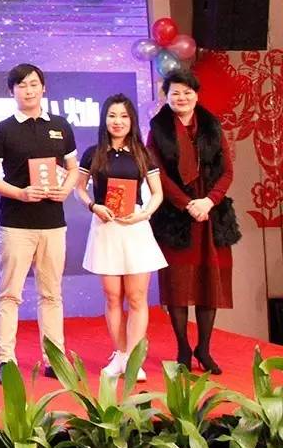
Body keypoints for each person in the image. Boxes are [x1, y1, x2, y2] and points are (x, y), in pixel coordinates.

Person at [0, 63, 79, 384]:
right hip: (16, 224)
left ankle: (55, 358)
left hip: (53, 223)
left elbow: (73, 167)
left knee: (51, 294)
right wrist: (20, 194)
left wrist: (66, 189)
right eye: (22, 85)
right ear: (11, 91)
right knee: (9, 294)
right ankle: (5, 360)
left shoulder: (61, 126)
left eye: (34, 83)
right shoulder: (2, 130)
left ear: (43, 87)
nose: (29, 90)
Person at [147, 70, 239, 375]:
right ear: (167, 96)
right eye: (175, 93)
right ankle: (184, 349)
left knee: (208, 285)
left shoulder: (212, 126)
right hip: (176, 216)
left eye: (187, 92)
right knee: (177, 286)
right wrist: (187, 204)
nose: (182, 98)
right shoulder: (158, 129)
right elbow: (156, 173)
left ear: (196, 95)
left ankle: (205, 349)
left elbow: (227, 171)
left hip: (211, 215)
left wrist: (208, 201)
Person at [76, 94, 165, 381]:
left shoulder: (142, 153)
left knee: (137, 297)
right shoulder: (93, 153)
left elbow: (157, 193)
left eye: (124, 116)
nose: (118, 121)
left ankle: (134, 361)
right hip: (106, 227)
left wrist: (144, 214)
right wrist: (94, 206)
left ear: (132, 120)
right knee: (113, 296)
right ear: (104, 119)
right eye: (112, 115)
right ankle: (121, 355)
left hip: (135, 227)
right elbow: (79, 189)